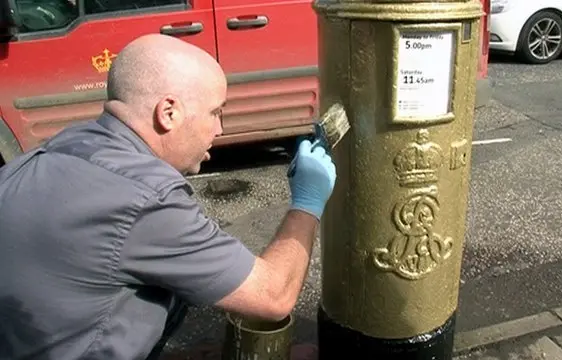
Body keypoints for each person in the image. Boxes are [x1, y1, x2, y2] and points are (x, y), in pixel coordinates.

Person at [0, 34, 336, 360]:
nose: (219, 129)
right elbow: (273, 295)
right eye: (215, 112)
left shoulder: (65, 145)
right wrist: (307, 202)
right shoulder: (146, 198)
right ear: (169, 112)